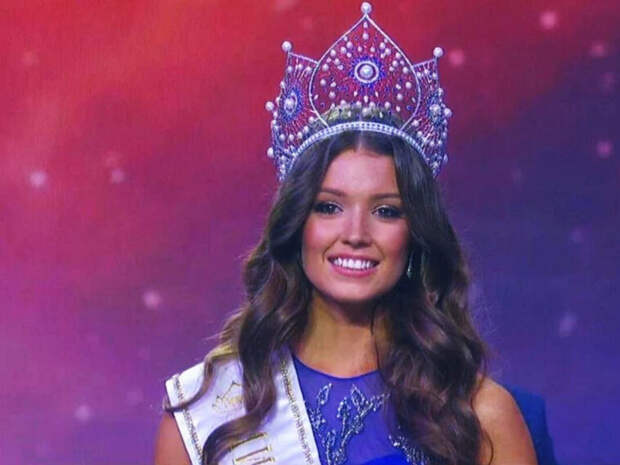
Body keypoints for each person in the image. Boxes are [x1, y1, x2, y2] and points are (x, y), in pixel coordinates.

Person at [154, 3, 538, 465]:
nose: (356, 233)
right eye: (329, 207)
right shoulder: (211, 414)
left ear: (416, 234)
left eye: (386, 211)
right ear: (297, 224)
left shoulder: (478, 416)